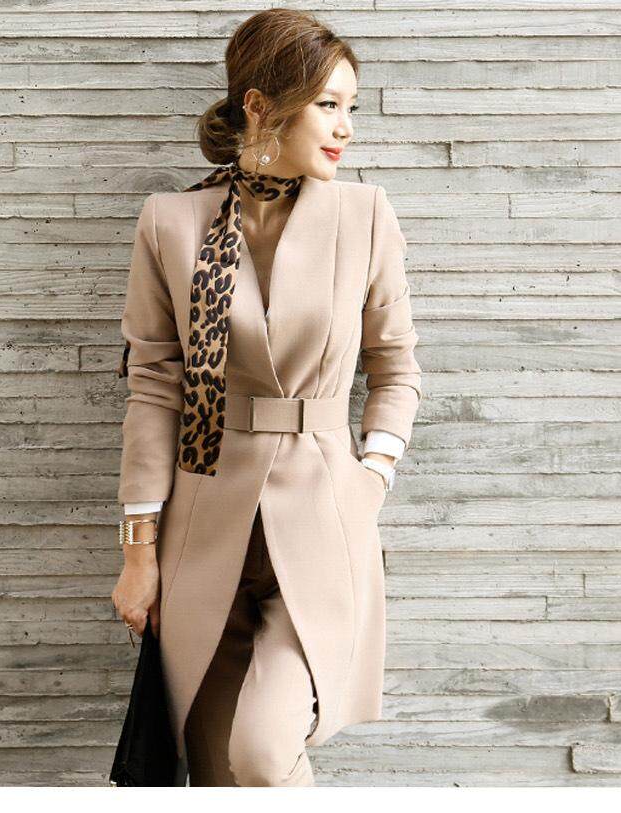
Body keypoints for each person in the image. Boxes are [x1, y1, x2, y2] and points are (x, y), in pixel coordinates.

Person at [111, 8, 423, 787]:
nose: (346, 126)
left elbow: (396, 366)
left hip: (324, 516)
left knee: (261, 750)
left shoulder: (364, 215)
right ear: (260, 105)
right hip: (204, 528)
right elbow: (156, 388)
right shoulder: (172, 223)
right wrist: (138, 552)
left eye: (351, 105)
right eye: (328, 104)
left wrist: (371, 477)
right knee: (220, 773)